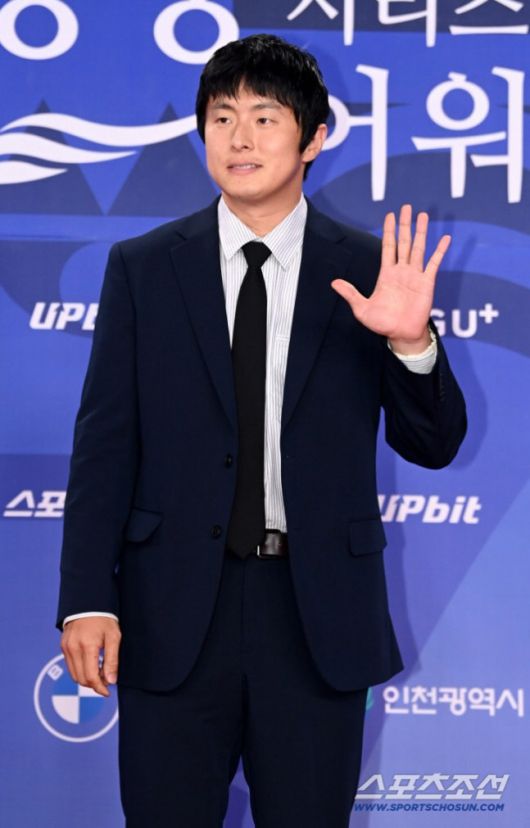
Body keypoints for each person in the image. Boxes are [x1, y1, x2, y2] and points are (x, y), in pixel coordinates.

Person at [57, 33, 466, 828]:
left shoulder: (369, 271)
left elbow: (435, 443)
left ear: (313, 138)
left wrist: (411, 341)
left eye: (265, 117)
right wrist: (84, 601)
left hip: (315, 618)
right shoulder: (144, 268)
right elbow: (103, 447)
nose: (239, 138)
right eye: (222, 117)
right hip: (173, 612)